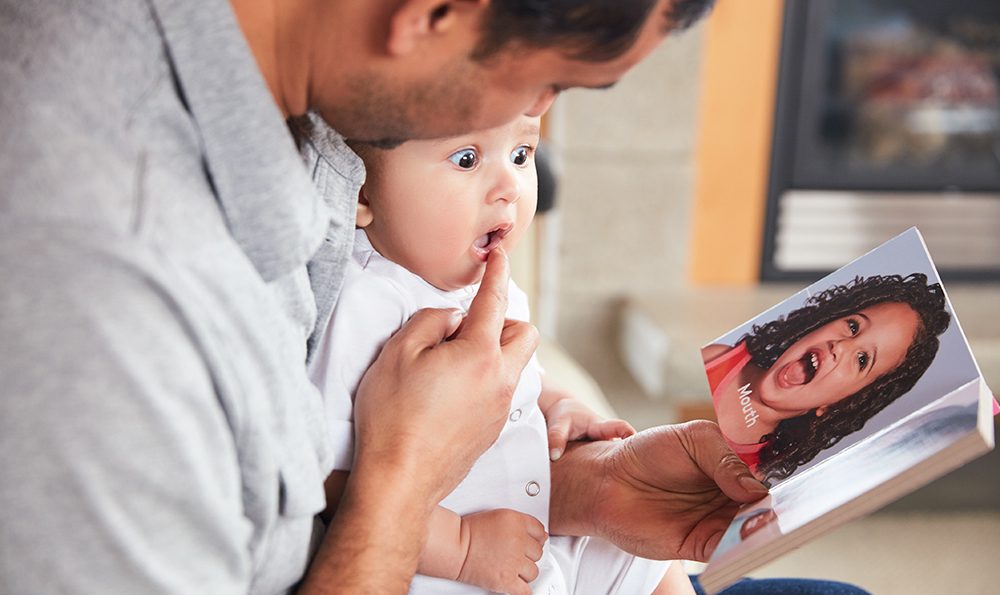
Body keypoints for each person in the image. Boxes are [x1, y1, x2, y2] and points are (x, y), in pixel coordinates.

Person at [2, 0, 780, 593]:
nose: (532, 117)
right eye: (545, 79)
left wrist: (585, 489)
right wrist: (403, 482)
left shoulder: (299, 81)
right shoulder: (106, 289)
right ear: (433, 15)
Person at [308, 114, 694, 594]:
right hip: (438, 567)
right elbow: (324, 476)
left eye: (521, 155)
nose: (510, 185)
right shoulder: (364, 301)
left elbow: (516, 371)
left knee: (641, 558)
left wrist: (557, 404)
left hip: (536, 537)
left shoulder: (491, 283)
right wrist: (462, 545)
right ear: (362, 193)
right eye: (466, 159)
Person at [701, 274, 950, 483]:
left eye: (862, 359)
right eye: (853, 327)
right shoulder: (716, 358)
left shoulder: (748, 477)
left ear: (846, 401)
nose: (841, 347)